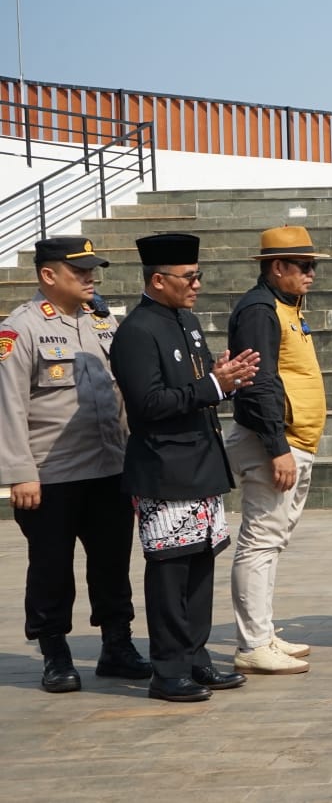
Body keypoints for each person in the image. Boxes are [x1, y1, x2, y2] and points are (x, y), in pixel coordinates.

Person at [0, 236, 152, 692]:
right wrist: (20, 473)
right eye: (80, 271)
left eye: (92, 270)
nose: (91, 278)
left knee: (111, 563)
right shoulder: (18, 329)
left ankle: (117, 645)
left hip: (110, 467)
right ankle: (55, 651)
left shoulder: (102, 322)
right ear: (48, 275)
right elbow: (7, 405)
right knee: (51, 565)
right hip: (51, 474)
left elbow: (121, 394)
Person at [112, 233, 259, 701]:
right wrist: (214, 385)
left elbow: (197, 388)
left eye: (198, 275)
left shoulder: (187, 320)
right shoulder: (137, 331)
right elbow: (149, 403)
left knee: (199, 567)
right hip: (166, 469)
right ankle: (168, 668)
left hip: (200, 463)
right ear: (158, 280)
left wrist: (224, 380)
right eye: (188, 277)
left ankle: (196, 659)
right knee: (170, 571)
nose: (197, 284)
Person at [224, 226, 328, 675]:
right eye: (303, 266)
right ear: (277, 267)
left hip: (294, 439)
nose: (311, 274)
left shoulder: (287, 307)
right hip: (276, 441)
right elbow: (257, 381)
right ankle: (252, 643)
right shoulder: (260, 310)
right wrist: (275, 446)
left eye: (313, 266)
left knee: (273, 541)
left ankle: (263, 632)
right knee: (260, 540)